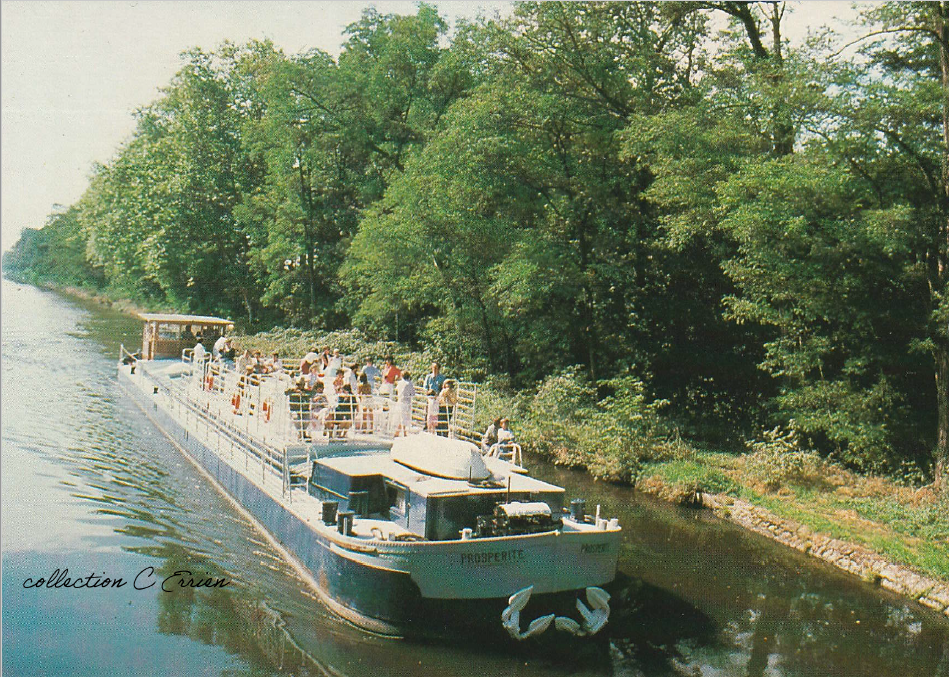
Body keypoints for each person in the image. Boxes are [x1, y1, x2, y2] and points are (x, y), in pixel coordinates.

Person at [395, 371, 415, 437]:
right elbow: (413, 393)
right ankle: (404, 432)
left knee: (400, 416)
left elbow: (397, 391)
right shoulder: (409, 383)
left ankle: (397, 432)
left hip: (400, 400)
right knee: (405, 417)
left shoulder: (400, 383)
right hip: (406, 401)